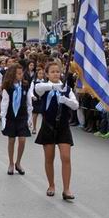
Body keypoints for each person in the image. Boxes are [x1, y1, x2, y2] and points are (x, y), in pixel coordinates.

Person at [34, 62, 79, 200]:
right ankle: (51, 185)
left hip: (63, 126)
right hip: (48, 125)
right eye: (52, 72)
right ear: (47, 74)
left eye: (57, 71)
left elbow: (76, 105)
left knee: (66, 158)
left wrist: (64, 99)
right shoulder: (43, 86)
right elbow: (38, 88)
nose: (55, 74)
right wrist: (55, 87)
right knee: (49, 158)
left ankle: (66, 189)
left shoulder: (67, 89)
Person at [0, 64, 32, 176]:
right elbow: (4, 103)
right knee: (11, 140)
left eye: (21, 73)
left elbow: (29, 102)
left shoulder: (25, 86)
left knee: (22, 140)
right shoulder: (7, 87)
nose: (21, 75)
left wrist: (30, 117)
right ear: (13, 74)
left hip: (22, 116)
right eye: (18, 73)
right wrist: (3, 118)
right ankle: (11, 163)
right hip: (11, 117)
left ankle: (18, 162)